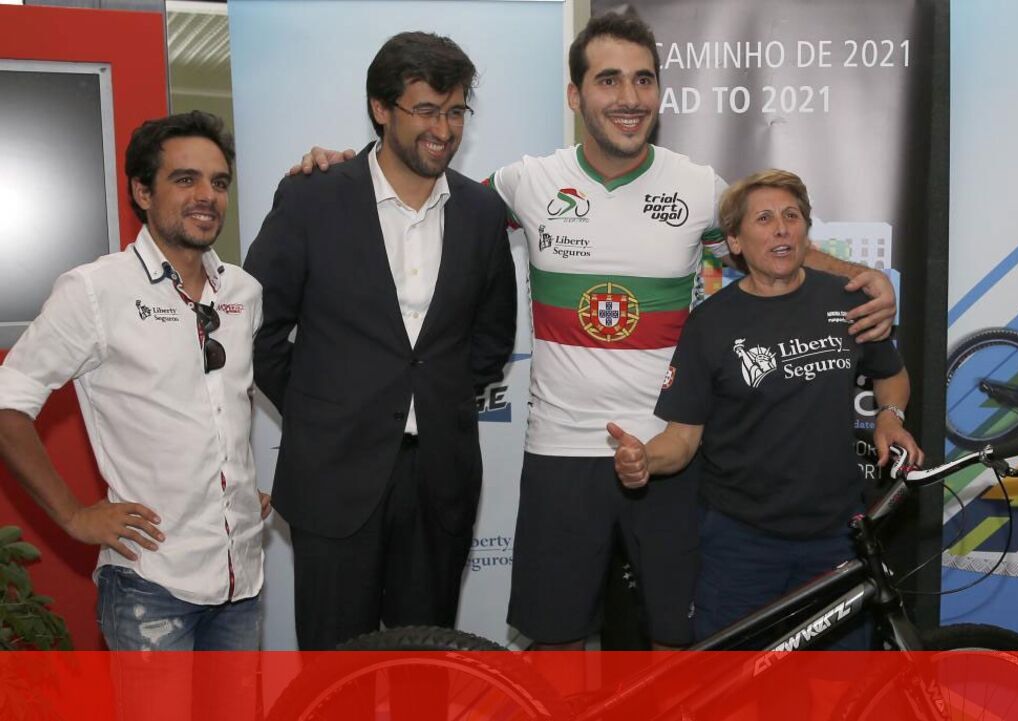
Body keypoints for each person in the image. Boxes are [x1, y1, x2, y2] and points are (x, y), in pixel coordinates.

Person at [293, 12, 897, 650]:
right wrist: (345, 168)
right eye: (609, 80)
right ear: (575, 95)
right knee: (555, 648)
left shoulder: (697, 187)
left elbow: (779, 249)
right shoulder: (526, 182)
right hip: (560, 454)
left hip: (671, 454)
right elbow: (427, 194)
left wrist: (866, 278)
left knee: (680, 647)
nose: (629, 97)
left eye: (644, 80)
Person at [243, 32, 517, 650]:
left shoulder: (480, 213)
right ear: (381, 108)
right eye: (426, 110)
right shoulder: (313, 196)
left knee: (427, 664)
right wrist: (323, 408)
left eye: (456, 111)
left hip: (439, 479)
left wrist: (436, 396)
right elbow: (255, 326)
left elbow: (492, 339)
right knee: (336, 672)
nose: (443, 130)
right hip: (334, 475)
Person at [610, 169, 923, 644]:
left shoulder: (846, 300)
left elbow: (890, 373)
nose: (781, 229)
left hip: (838, 535)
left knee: (843, 681)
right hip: (741, 543)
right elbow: (682, 438)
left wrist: (890, 416)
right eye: (764, 219)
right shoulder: (710, 324)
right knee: (734, 679)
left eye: (791, 216)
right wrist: (644, 460)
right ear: (735, 241)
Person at [0, 111, 269, 651]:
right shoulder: (95, 291)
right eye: (185, 179)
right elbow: (8, 404)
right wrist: (74, 515)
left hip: (242, 580)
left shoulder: (244, 292)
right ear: (142, 192)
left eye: (219, 183)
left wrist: (236, 489)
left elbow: (225, 409)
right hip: (151, 583)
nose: (207, 196)